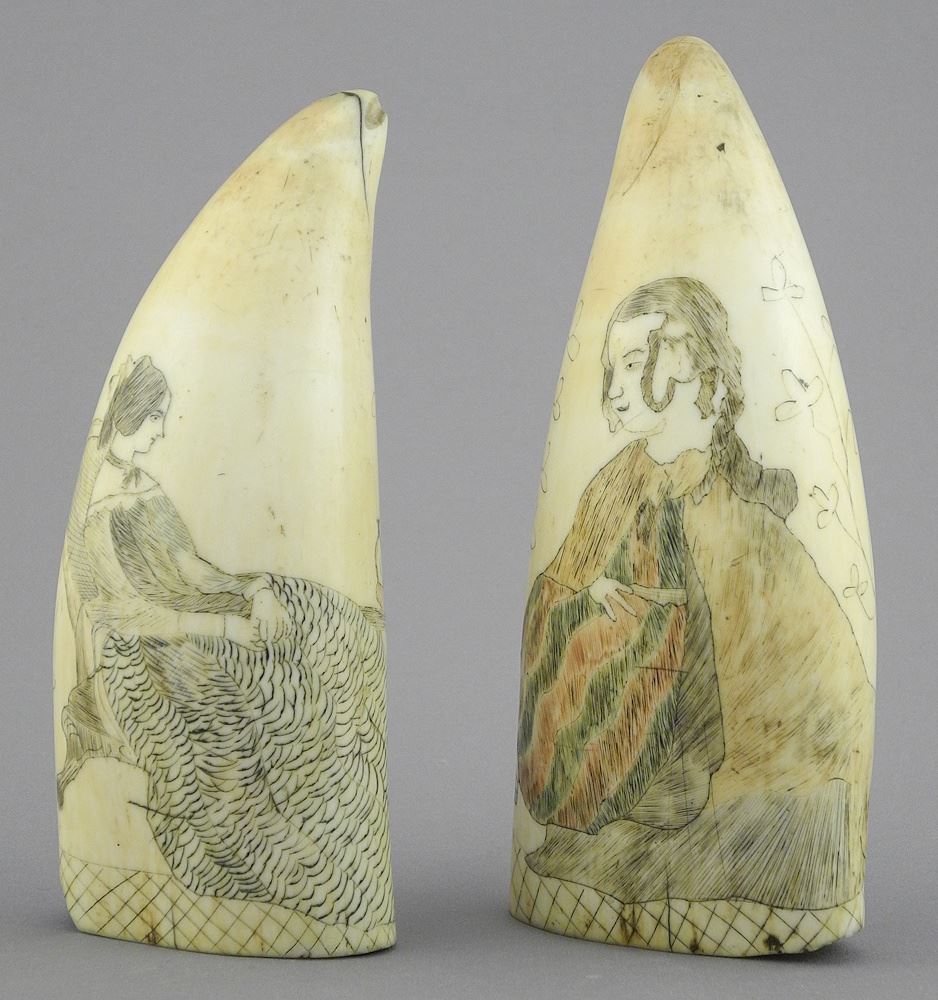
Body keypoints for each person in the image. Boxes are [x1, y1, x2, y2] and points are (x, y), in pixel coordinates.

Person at [518, 277, 873, 911]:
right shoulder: (617, 480)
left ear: (685, 364)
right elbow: (565, 575)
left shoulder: (737, 516)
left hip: (703, 738)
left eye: (635, 364)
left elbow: (796, 670)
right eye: (613, 369)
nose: (617, 387)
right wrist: (591, 589)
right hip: (623, 714)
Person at [57, 356, 392, 928]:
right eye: (157, 417)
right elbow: (126, 611)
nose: (163, 430)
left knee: (320, 620)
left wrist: (252, 590)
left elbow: (189, 566)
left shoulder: (144, 484)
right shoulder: (99, 506)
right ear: (133, 415)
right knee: (234, 701)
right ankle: (290, 864)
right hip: (145, 652)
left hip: (191, 613)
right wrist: (226, 626)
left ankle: (339, 807)